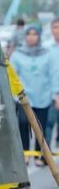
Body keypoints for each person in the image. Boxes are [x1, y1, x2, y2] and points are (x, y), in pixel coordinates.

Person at [9, 24, 59, 164]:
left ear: (39, 36)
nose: (31, 37)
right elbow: (12, 76)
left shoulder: (47, 54)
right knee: (23, 124)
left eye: (34, 34)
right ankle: (25, 153)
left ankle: (39, 154)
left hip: (43, 96)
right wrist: (13, 95)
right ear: (25, 36)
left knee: (41, 126)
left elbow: (53, 74)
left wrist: (56, 93)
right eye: (28, 34)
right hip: (24, 97)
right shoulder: (18, 54)